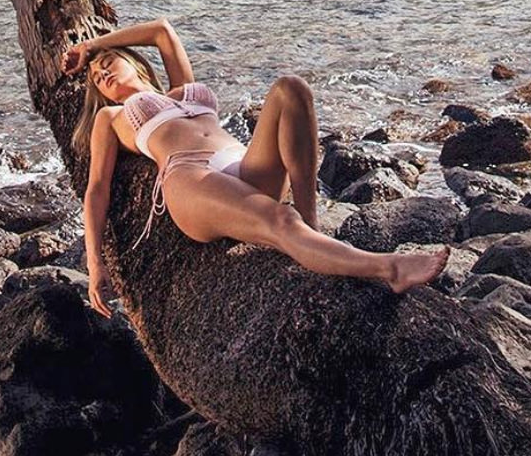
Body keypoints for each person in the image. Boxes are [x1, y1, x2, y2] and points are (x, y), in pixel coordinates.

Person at [63, 17, 448, 315]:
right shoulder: (111, 117)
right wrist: (96, 264)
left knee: (290, 88)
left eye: (109, 64)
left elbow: (162, 31)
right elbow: (97, 189)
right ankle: (389, 270)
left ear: (135, 64)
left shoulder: (180, 87)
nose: (103, 75)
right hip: (190, 178)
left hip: (240, 163)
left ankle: (311, 223)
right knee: (279, 223)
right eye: (97, 79)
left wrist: (91, 46)